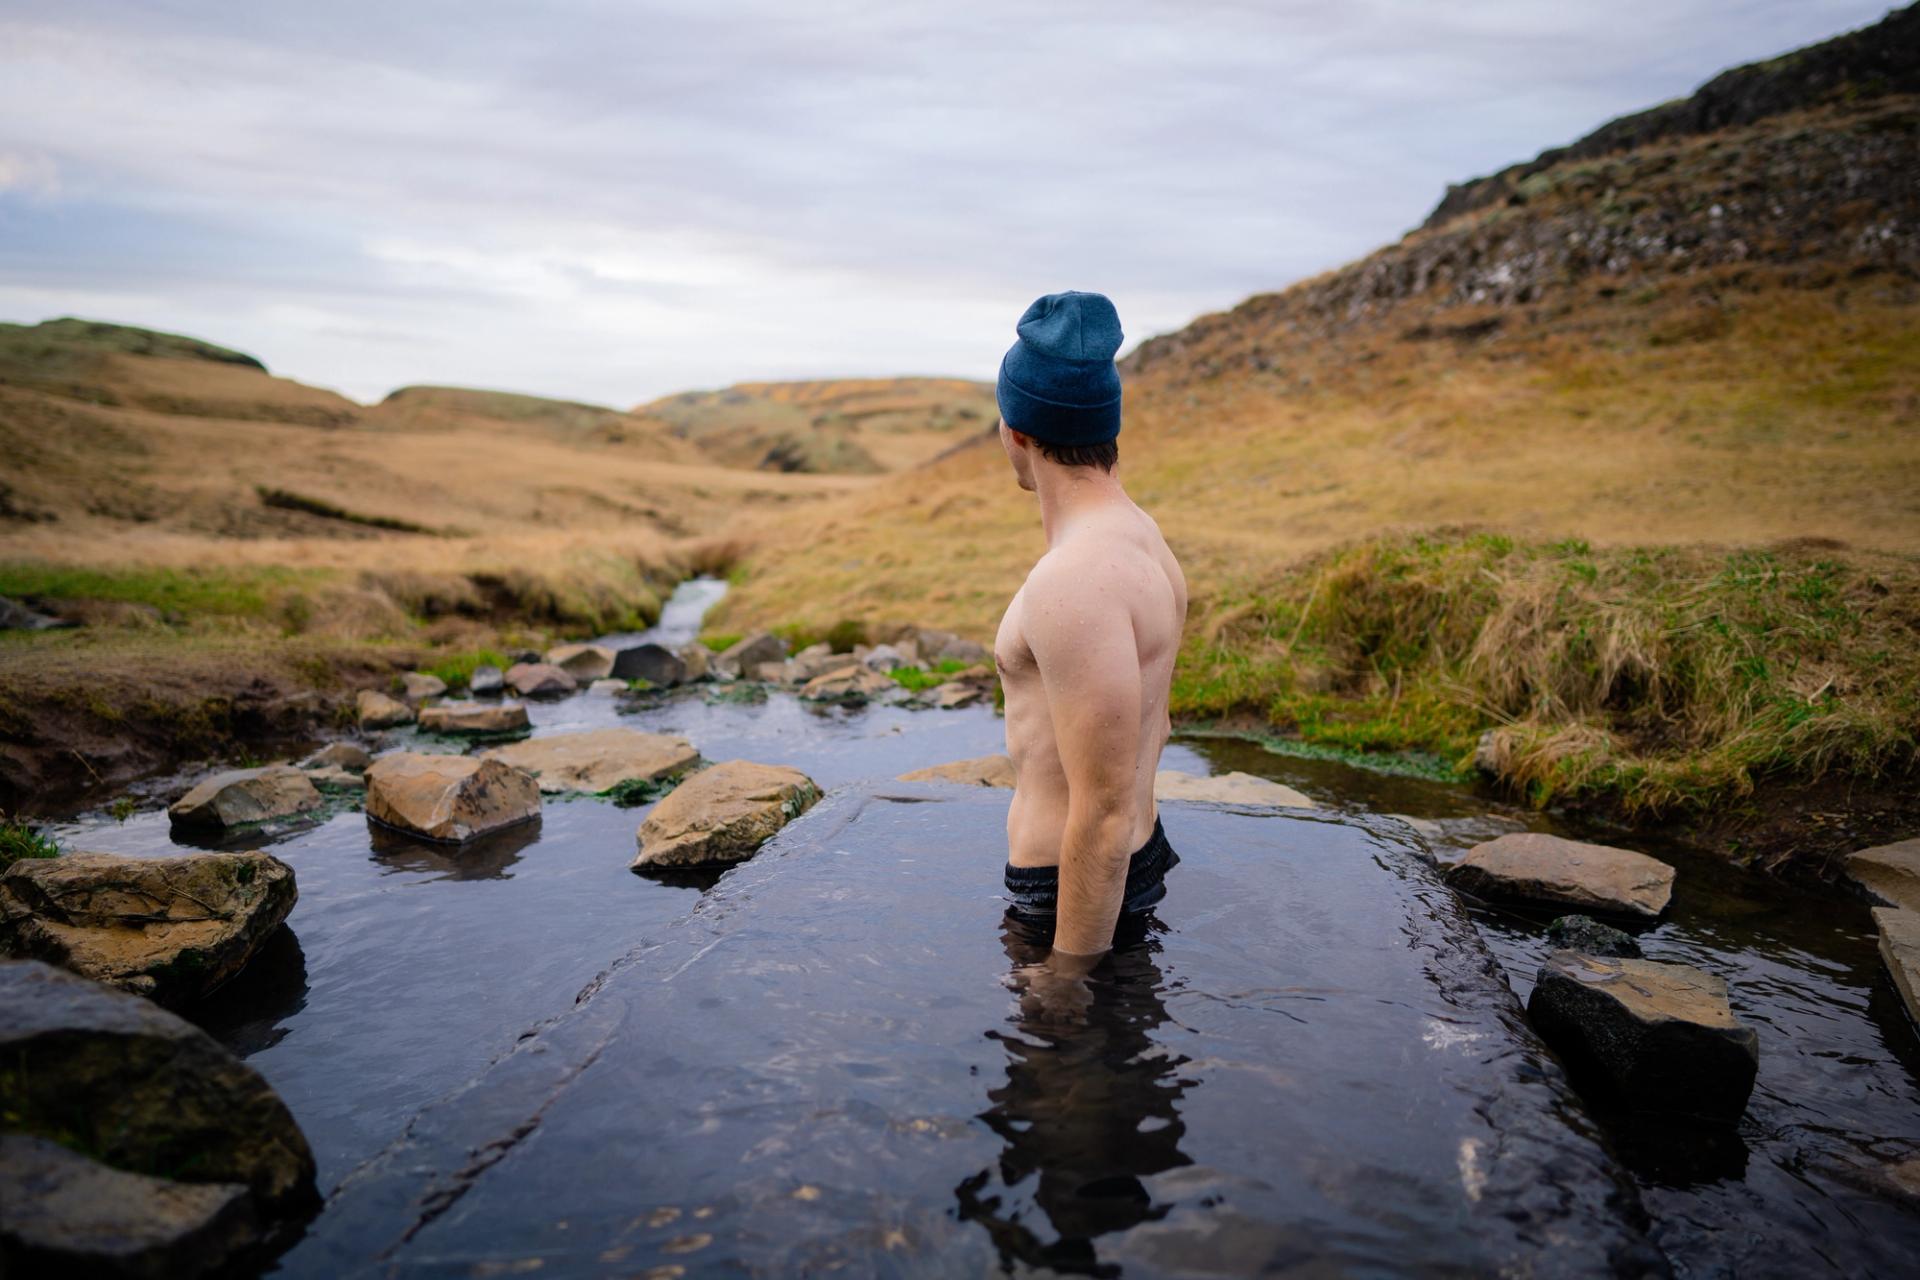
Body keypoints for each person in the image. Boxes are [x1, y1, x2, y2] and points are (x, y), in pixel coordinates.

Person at [992, 290, 1188, 971]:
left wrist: (1067, 978)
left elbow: (1100, 812)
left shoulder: (1073, 579)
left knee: (1066, 1074)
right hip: (1132, 862)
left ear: (1016, 431)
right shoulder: (1144, 537)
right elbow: (1156, 726)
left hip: (1068, 897)